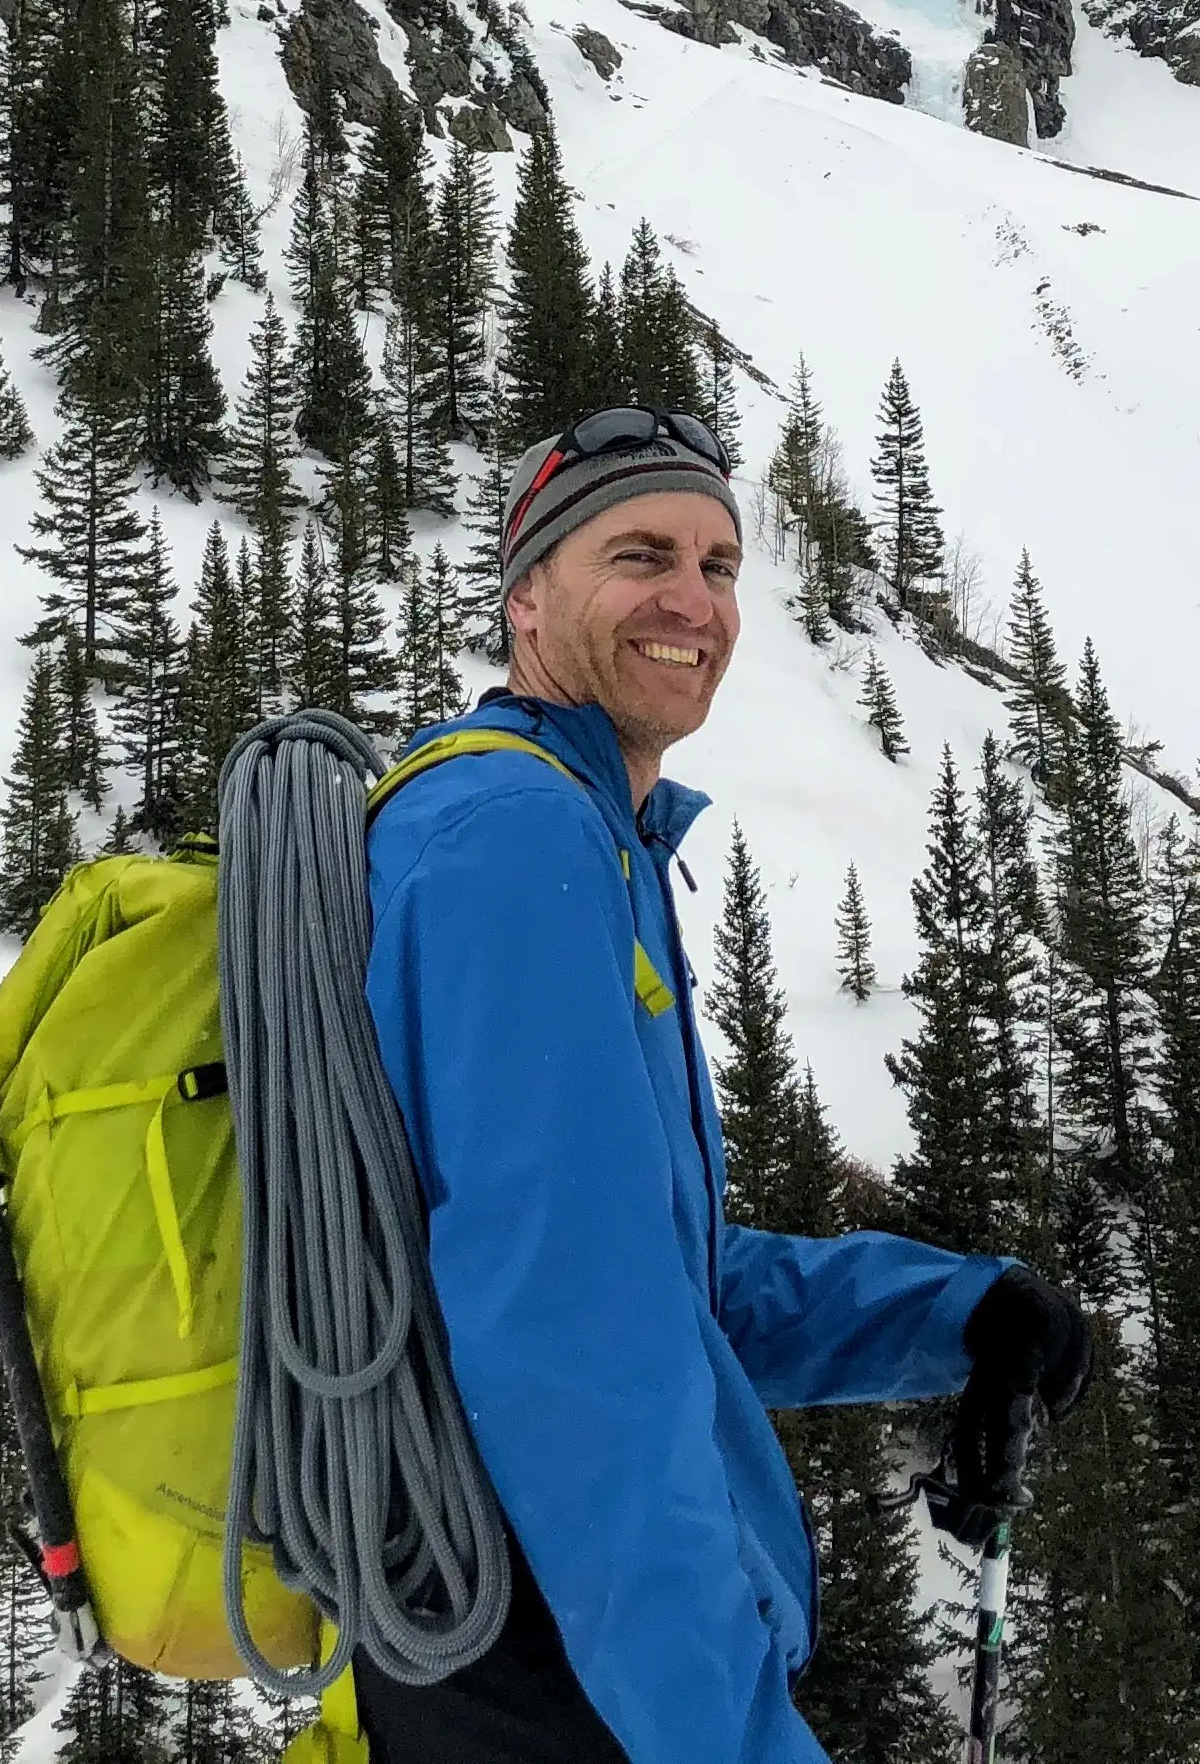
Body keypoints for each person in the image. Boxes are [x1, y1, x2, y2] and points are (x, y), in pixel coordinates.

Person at [359, 405, 1090, 1764]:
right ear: (528, 600)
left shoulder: (582, 832)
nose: (692, 599)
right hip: (555, 1663)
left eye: (719, 563)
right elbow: (578, 1357)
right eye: (641, 555)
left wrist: (956, 1311)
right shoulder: (517, 841)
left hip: (519, 1637)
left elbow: (663, 1280)